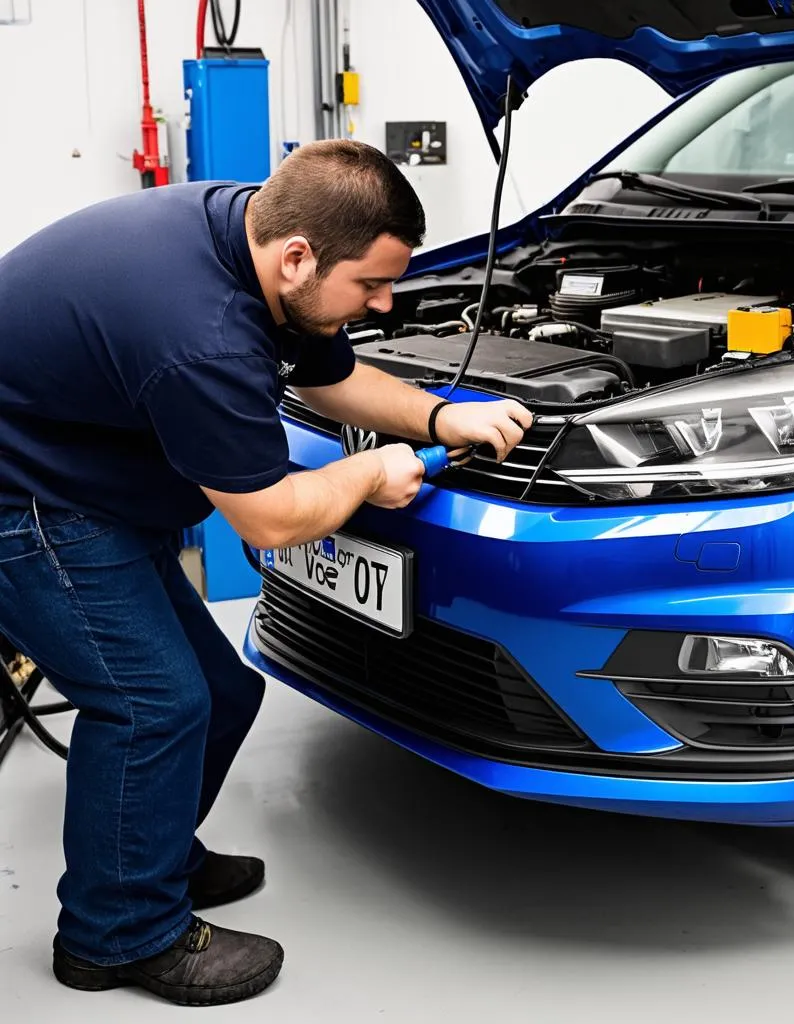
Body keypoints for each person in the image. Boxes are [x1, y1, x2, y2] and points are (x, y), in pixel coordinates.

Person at [0, 139, 532, 1006]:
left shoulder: (259, 240)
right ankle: (117, 934)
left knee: (225, 691)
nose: (385, 301)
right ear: (297, 258)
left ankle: (147, 854)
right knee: (152, 704)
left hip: (81, 481)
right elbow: (272, 519)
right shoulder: (200, 331)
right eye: (371, 285)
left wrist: (441, 418)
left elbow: (337, 378)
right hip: (24, 502)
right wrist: (369, 471)